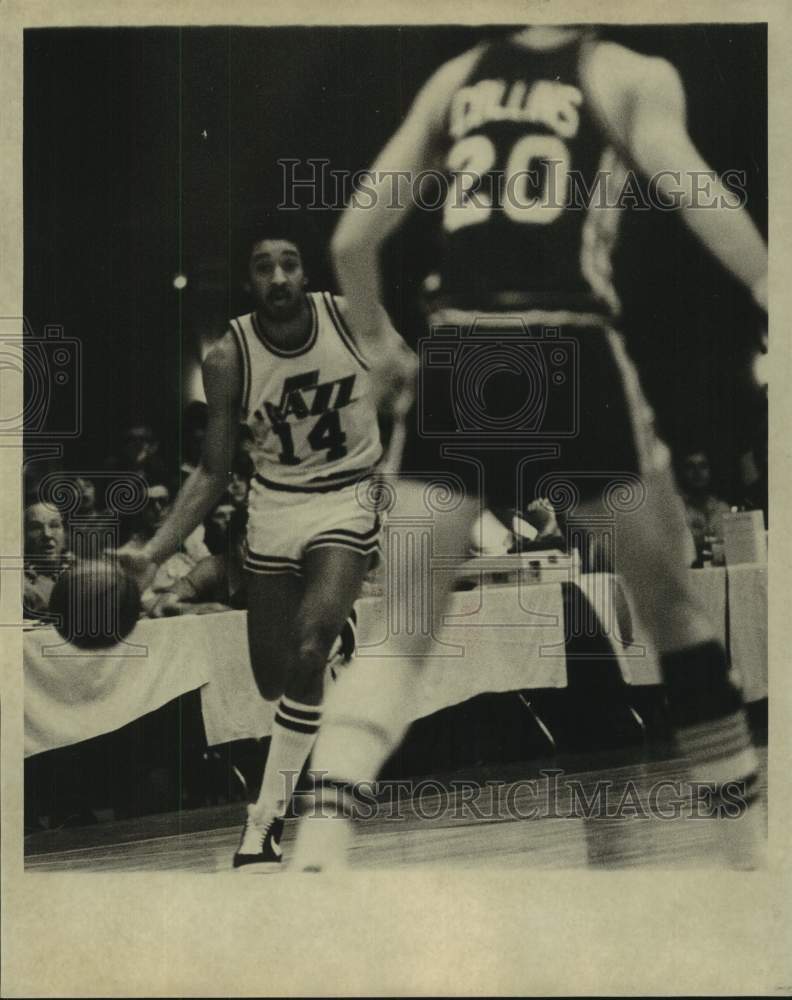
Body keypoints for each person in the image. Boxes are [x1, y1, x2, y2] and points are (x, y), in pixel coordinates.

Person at [292, 25, 768, 870]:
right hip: (568, 345)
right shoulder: (624, 72)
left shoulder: (455, 77)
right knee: (673, 614)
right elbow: (695, 190)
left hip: (462, 353)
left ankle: (318, 854)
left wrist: (382, 344)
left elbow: (351, 240)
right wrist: (773, 286)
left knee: (402, 632)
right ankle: (753, 862)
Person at [115, 218, 408, 870]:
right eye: (263, 267)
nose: (278, 278)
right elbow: (213, 473)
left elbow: (414, 391)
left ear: (306, 272)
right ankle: (333, 640)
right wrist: (154, 552)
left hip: (349, 495)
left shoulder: (354, 319)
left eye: (289, 264)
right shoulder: (228, 358)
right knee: (276, 679)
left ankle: (264, 820)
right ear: (249, 281)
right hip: (275, 505)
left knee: (308, 649)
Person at [678, 450, 730, 565]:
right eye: (690, 467)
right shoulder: (676, 508)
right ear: (682, 472)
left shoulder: (722, 509)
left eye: (703, 466)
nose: (697, 472)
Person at [23, 501, 74, 617]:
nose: (47, 534)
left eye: (54, 525)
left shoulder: (84, 572)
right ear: (24, 537)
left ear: (65, 533)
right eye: (36, 527)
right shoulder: (18, 585)